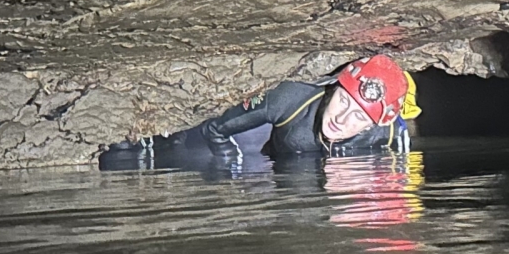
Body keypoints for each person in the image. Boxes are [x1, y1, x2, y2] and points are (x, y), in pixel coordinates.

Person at [109, 55, 423, 165]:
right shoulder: (290, 98)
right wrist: (228, 169)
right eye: (343, 101)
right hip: (271, 148)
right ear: (333, 88)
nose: (342, 119)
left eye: (358, 116)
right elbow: (214, 129)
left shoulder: (390, 132)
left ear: (371, 126)